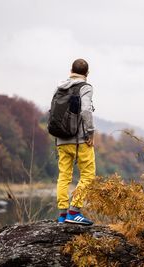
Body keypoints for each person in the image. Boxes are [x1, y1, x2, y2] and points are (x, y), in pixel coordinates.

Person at [55, 59, 96, 225]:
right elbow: (86, 110)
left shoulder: (59, 87)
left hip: (61, 139)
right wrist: (90, 132)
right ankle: (74, 211)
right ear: (87, 73)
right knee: (88, 174)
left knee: (64, 176)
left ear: (70, 70)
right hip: (79, 139)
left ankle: (62, 214)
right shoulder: (85, 87)